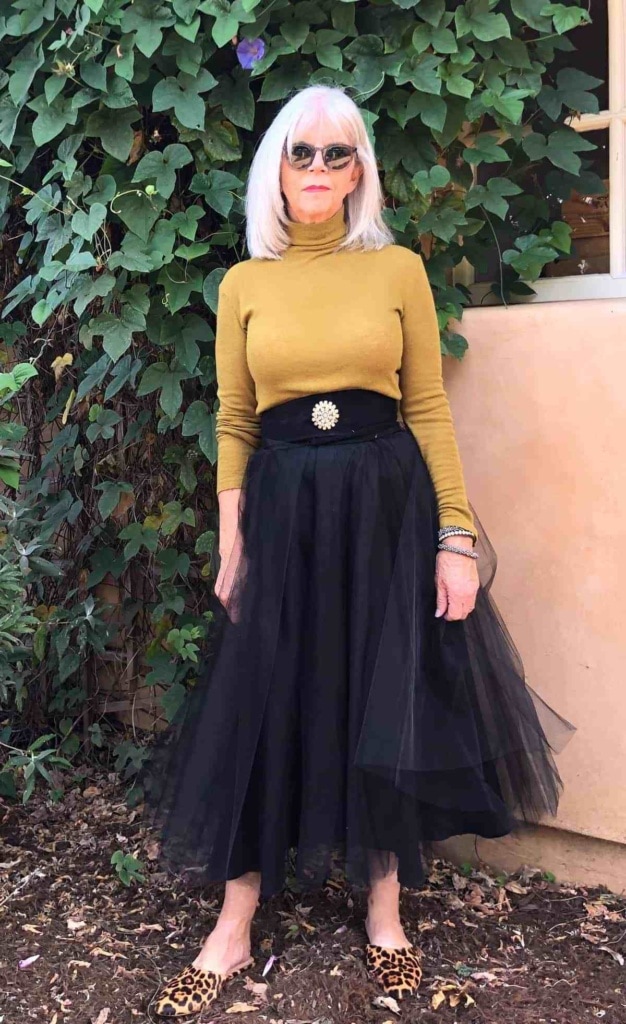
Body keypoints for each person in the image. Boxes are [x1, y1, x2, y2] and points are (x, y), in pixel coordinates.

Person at [143, 84, 575, 1017]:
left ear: (359, 172)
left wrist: (454, 539)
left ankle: (385, 916)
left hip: (385, 510)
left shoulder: (398, 270)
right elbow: (233, 422)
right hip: (284, 512)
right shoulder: (244, 284)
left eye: (338, 154)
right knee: (264, 702)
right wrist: (232, 543)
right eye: (302, 152)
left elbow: (428, 408)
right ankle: (233, 922)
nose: (319, 169)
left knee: (385, 697)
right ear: (276, 167)